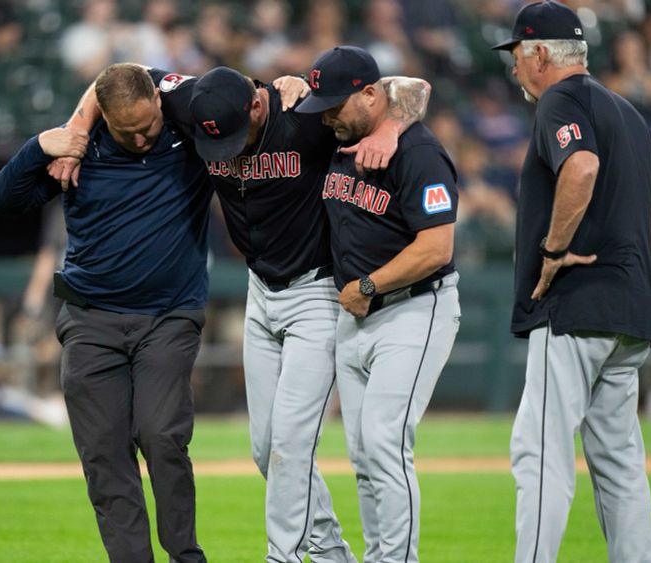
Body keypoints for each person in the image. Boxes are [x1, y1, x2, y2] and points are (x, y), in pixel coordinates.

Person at [50, 62, 431, 563]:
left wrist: (390, 126)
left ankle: (285, 556)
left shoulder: (300, 110)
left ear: (255, 104)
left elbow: (413, 89)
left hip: (315, 290)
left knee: (290, 445)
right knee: (265, 449)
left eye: (235, 133)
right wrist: (78, 128)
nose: (227, 149)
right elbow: (121, 76)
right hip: (261, 289)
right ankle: (329, 552)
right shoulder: (188, 98)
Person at [0, 63, 210, 562]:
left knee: (161, 436)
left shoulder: (188, 133)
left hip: (168, 316)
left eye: (146, 125)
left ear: (159, 102)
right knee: (105, 457)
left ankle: (186, 556)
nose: (138, 138)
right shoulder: (81, 149)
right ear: (101, 119)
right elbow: (7, 200)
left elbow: (230, 98)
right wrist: (41, 147)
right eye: (124, 130)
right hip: (90, 318)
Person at [491, 2, 651, 562]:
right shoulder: (629, 113)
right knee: (619, 462)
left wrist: (553, 252)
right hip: (630, 313)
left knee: (539, 451)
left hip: (573, 309)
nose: (516, 69)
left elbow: (582, 166)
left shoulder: (560, 99)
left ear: (541, 55)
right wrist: (620, 265)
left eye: (518, 57)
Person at [295, 46, 461, 563]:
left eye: (335, 105)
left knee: (387, 444)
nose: (326, 116)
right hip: (358, 315)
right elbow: (408, 86)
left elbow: (437, 248)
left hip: (414, 308)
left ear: (370, 95)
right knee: (364, 456)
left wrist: (368, 286)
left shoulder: (418, 152)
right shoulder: (349, 131)